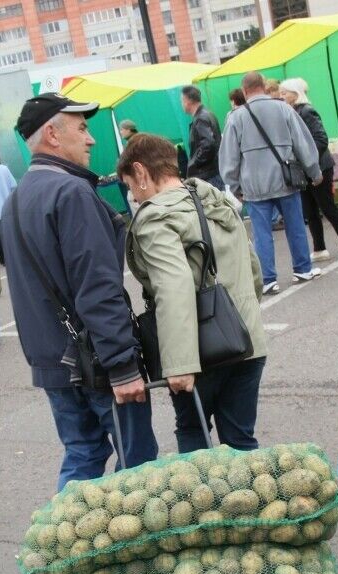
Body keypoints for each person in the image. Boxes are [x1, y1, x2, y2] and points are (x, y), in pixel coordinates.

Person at [0, 92, 158, 489]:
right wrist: (122, 366)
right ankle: (126, 546)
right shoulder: (71, 192)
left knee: (83, 452)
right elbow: (97, 286)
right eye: (83, 129)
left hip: (52, 360)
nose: (91, 139)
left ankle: (66, 545)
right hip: (97, 361)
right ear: (52, 134)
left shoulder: (16, 200)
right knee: (136, 465)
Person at [119, 134, 268, 452]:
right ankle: (247, 502)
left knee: (193, 434)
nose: (133, 196)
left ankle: (208, 503)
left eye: (130, 186)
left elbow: (173, 287)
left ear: (141, 172)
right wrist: (247, 315)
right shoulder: (216, 201)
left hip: (201, 352)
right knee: (241, 439)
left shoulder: (155, 218)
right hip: (247, 340)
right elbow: (252, 266)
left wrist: (180, 365)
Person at [219, 71, 324, 295]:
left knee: (262, 233)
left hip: (254, 185)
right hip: (285, 179)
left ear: (245, 90)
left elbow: (229, 156)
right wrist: (314, 171)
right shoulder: (283, 108)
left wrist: (234, 185)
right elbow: (302, 143)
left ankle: (267, 279)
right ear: (264, 87)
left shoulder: (236, 117)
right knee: (295, 225)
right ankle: (303, 269)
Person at [279, 78, 338, 261]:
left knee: (328, 207)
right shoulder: (291, 112)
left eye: (284, 93)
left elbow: (321, 139)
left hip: (320, 167)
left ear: (295, 94)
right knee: (310, 211)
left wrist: (308, 159)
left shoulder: (307, 111)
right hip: (304, 170)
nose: (281, 96)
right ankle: (320, 248)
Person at [181, 85, 223, 190]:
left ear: (188, 100)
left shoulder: (201, 118)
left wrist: (193, 164)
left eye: (182, 100)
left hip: (207, 176)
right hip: (213, 172)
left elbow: (208, 145)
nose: (182, 104)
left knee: (210, 205)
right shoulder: (208, 114)